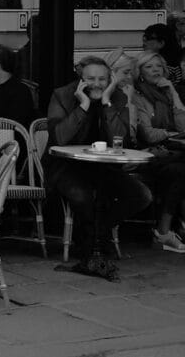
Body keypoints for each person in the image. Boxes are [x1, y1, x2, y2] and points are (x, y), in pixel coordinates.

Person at [46, 56, 151, 281]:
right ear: (81, 79)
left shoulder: (117, 96)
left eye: (102, 79)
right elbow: (59, 138)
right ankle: (93, 244)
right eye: (91, 79)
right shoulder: (62, 95)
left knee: (141, 195)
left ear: (110, 79)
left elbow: (120, 138)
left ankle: (93, 237)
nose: (97, 83)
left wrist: (106, 101)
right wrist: (83, 106)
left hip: (103, 167)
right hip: (66, 166)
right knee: (82, 196)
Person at [130, 51, 185, 252]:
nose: (155, 70)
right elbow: (148, 135)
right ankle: (164, 231)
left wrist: (173, 91)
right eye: (149, 67)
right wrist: (170, 133)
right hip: (147, 154)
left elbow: (183, 125)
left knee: (180, 170)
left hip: (171, 153)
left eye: (159, 66)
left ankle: (167, 230)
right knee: (180, 171)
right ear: (140, 72)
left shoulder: (166, 93)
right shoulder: (137, 96)